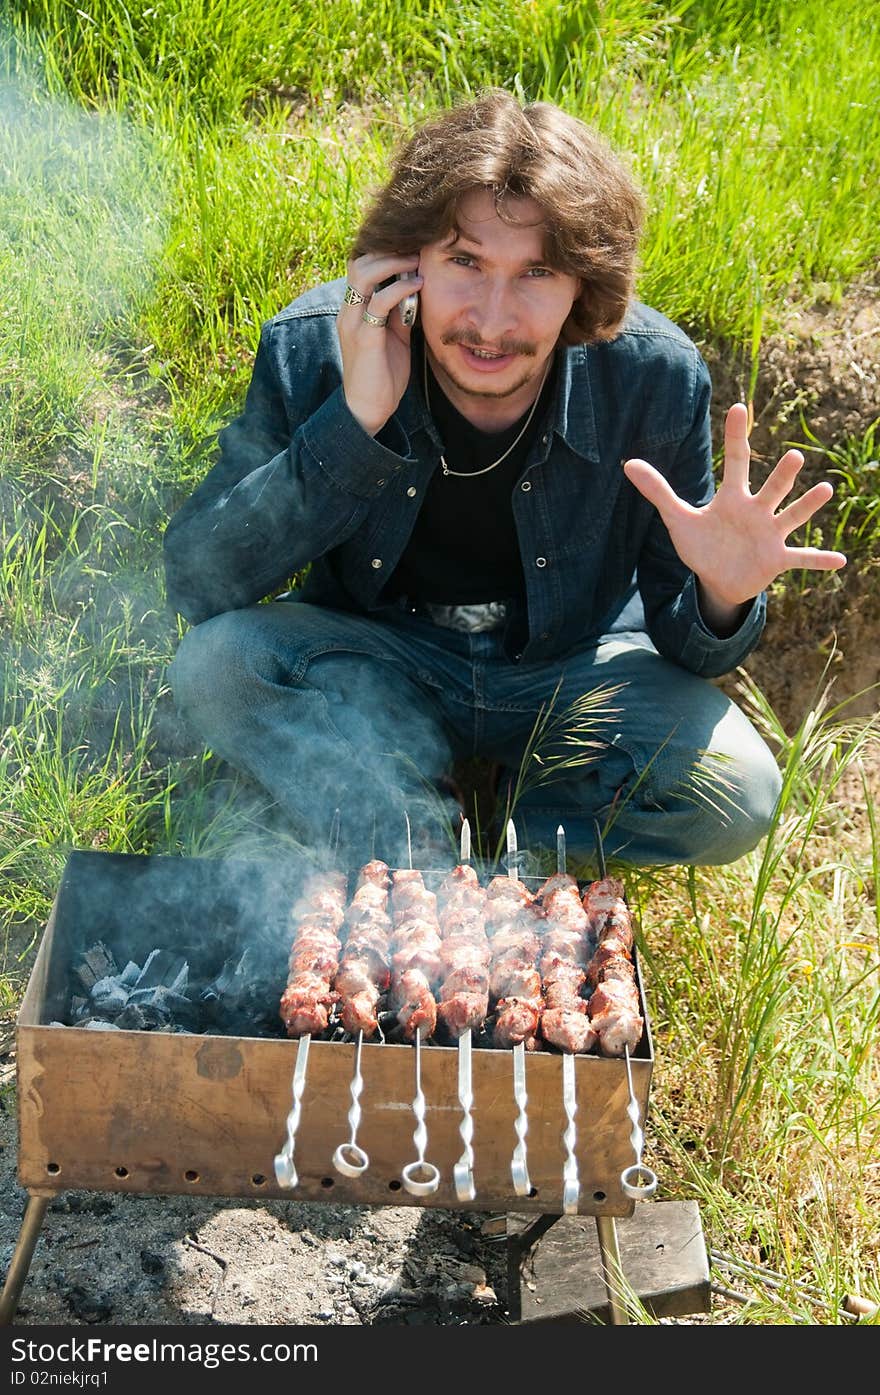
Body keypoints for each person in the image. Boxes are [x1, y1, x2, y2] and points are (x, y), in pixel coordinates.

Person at [163, 90, 846, 870]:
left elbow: (688, 646)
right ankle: (411, 831)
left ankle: (527, 839)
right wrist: (354, 425)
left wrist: (723, 596)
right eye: (464, 261)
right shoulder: (319, 348)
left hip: (571, 671)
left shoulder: (652, 378)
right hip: (377, 660)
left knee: (742, 790)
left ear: (583, 286)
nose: (492, 319)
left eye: (537, 272)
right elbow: (198, 583)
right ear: (405, 259)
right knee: (218, 669)